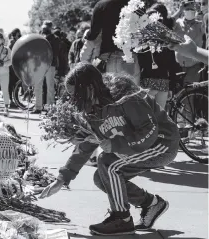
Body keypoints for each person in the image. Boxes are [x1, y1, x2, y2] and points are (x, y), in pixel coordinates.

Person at [40, 63, 180, 236]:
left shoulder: (126, 97)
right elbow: (86, 144)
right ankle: (151, 203)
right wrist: (63, 178)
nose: (74, 100)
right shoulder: (91, 108)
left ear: (90, 88)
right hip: (139, 146)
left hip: (162, 143)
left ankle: (121, 219)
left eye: (76, 94)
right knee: (102, 177)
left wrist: (116, 145)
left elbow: (149, 130)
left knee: (107, 162)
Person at [84, 0, 156, 85]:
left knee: (108, 95)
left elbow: (93, 35)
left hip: (106, 59)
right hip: (129, 58)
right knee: (131, 95)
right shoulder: (137, 5)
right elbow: (143, 34)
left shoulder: (101, 5)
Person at [137, 4, 181, 109]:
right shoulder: (167, 40)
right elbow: (172, 64)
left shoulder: (141, 40)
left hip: (147, 83)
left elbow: (140, 64)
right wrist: (171, 87)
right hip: (163, 83)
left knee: (148, 118)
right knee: (160, 118)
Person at [173, 0, 205, 84]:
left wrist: (201, 11)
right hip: (177, 65)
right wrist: (179, 10)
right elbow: (167, 23)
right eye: (187, 8)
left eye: (192, 8)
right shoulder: (177, 23)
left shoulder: (200, 24)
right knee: (178, 93)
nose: (190, 10)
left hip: (194, 66)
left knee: (190, 92)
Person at [34, 21, 60, 114]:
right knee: (37, 86)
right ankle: (38, 107)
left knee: (50, 87)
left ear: (50, 28)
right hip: (40, 64)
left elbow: (55, 52)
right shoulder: (39, 37)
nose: (44, 29)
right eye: (44, 28)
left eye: (46, 28)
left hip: (50, 64)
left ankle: (50, 109)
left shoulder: (55, 39)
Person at [8, 28, 22, 108]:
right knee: (12, 84)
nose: (19, 36)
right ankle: (11, 101)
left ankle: (16, 101)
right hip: (12, 67)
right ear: (14, 35)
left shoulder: (17, 42)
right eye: (18, 35)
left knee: (16, 84)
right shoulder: (12, 42)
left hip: (16, 66)